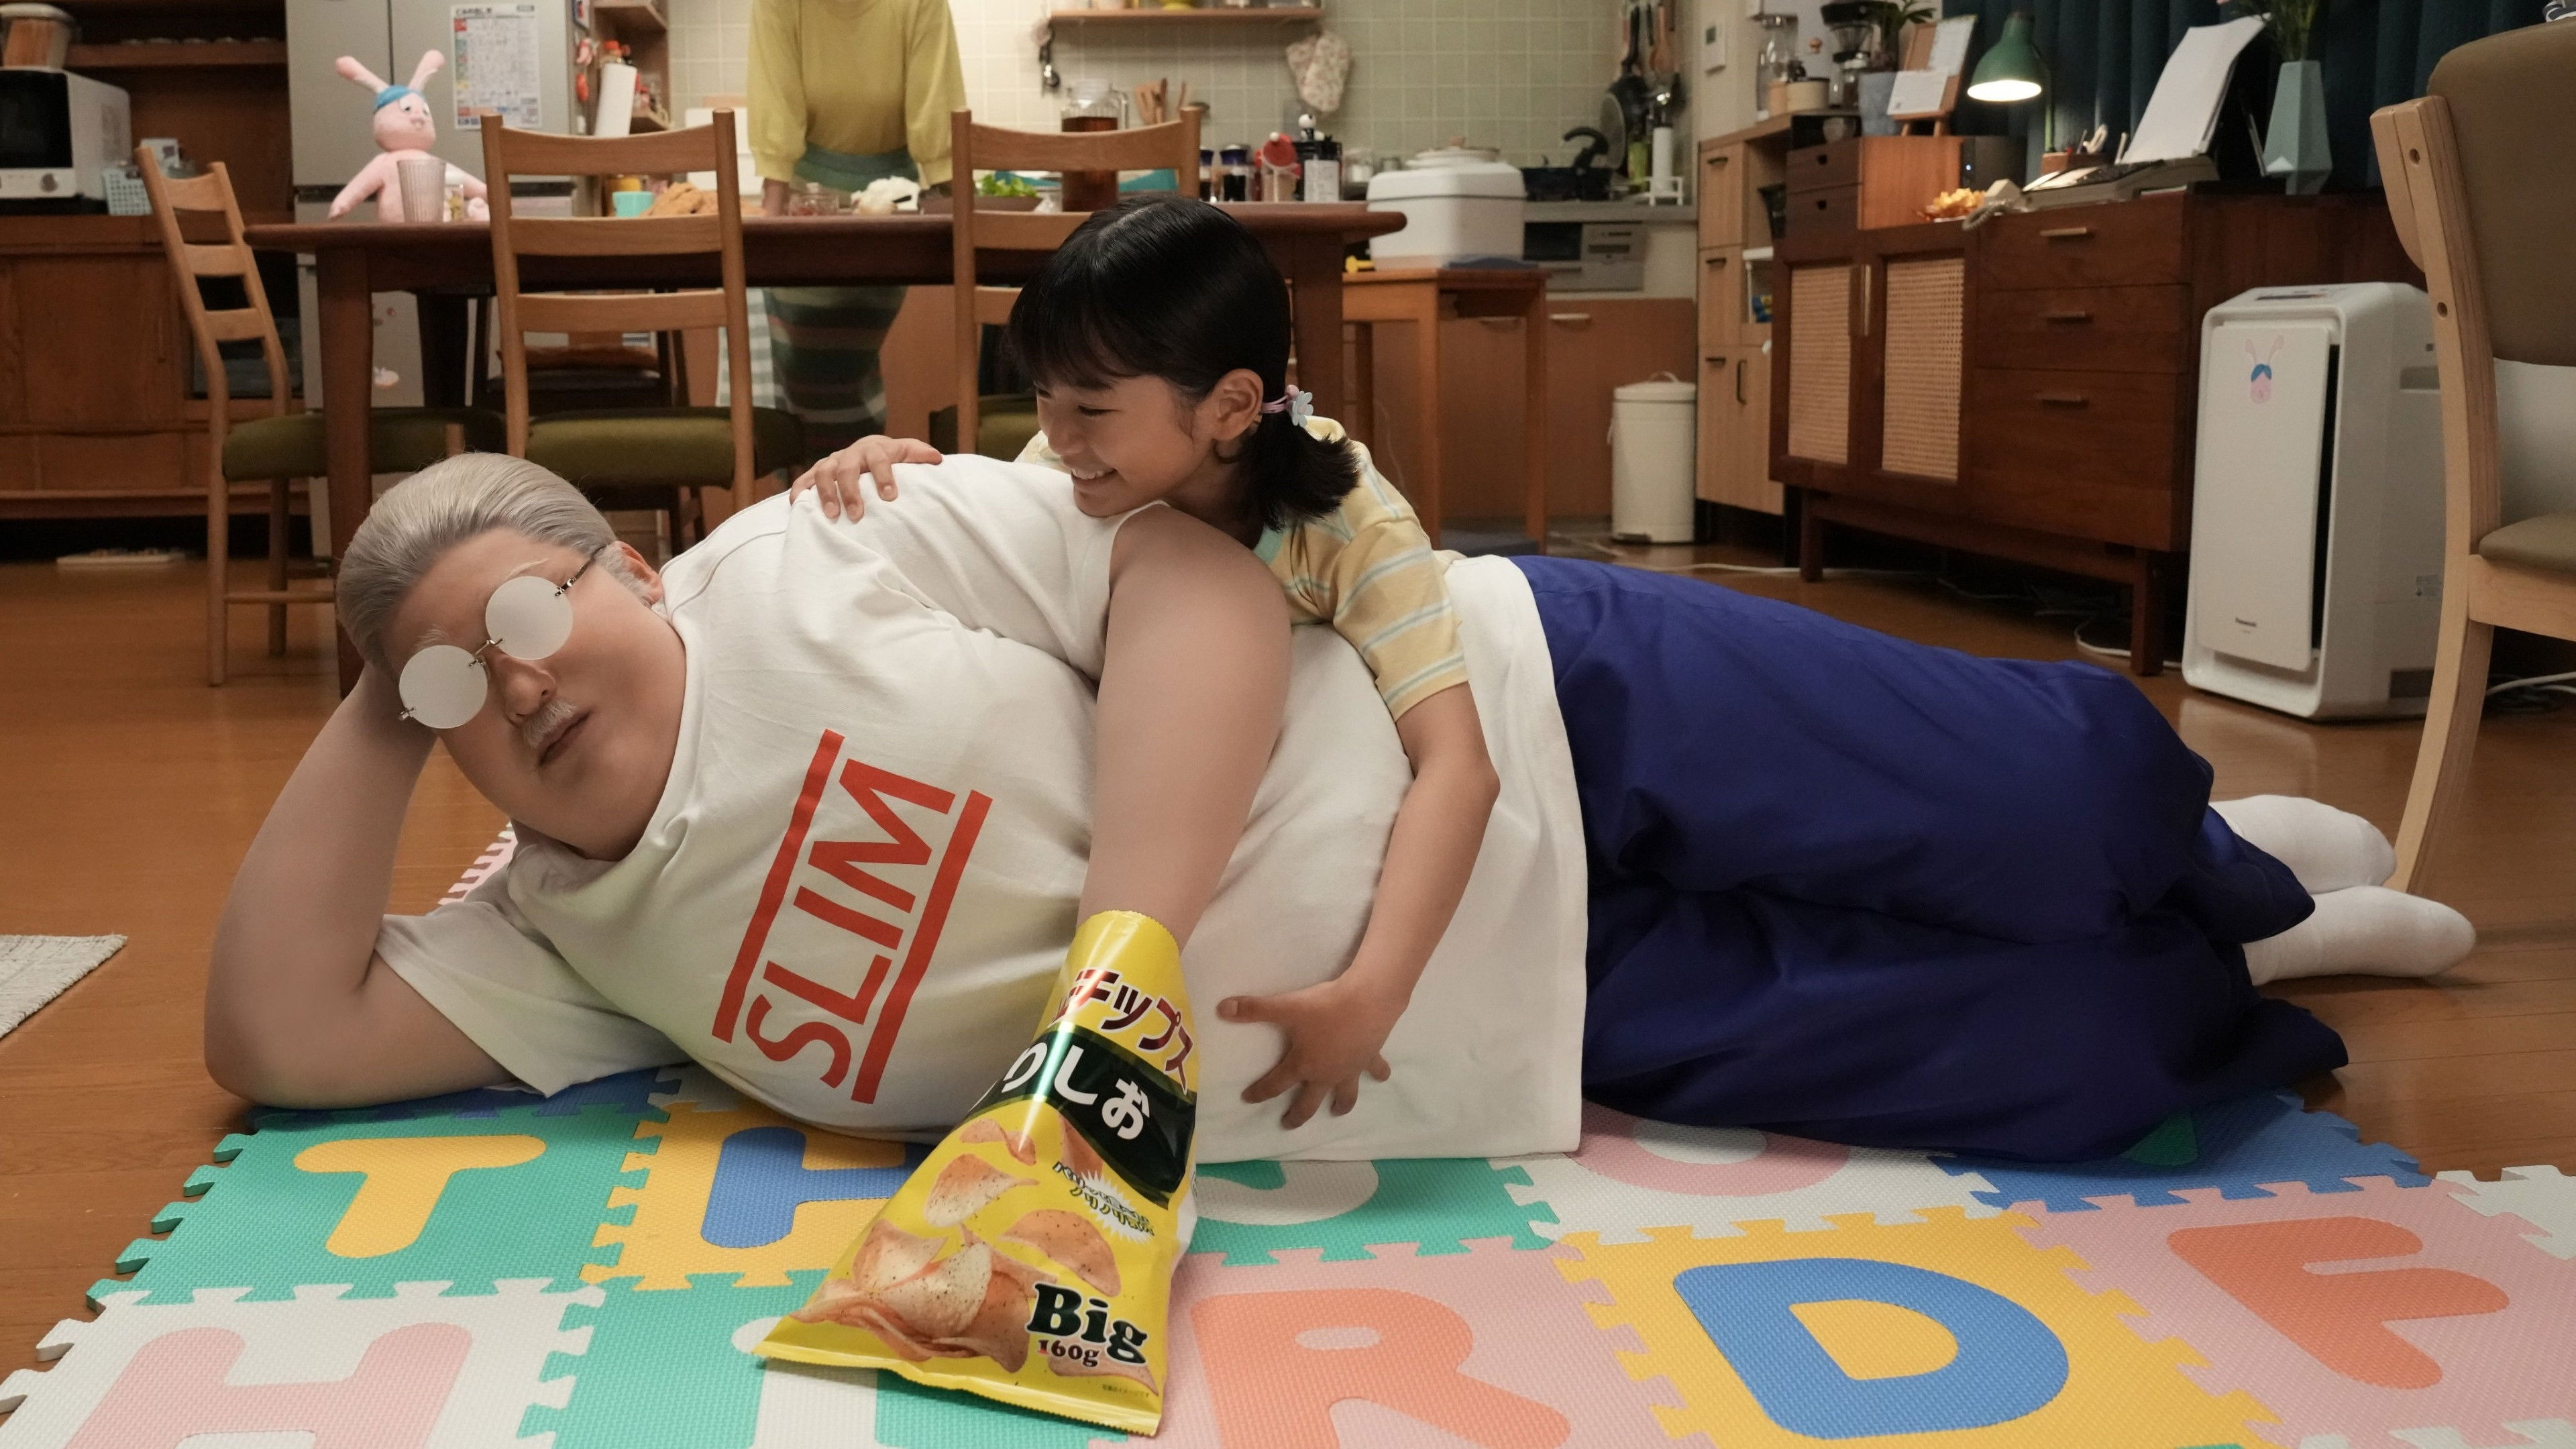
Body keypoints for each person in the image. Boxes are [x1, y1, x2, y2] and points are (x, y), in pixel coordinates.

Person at [209, 448, 2474, 1167]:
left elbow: (1199, 576)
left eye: (533, 617)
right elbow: (281, 1039)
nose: (521, 689)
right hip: (1478, 1006)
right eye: (459, 694)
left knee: (2064, 801)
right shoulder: (564, 937)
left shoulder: (826, 551)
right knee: (2088, 1065)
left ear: (628, 564)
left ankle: (2233, 862)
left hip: (1523, 700)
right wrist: (389, 684)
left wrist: (1124, 961)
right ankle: (2248, 939)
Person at [789, 199, 1500, 1132]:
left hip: (1548, 644)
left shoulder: (1347, 524)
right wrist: (889, 476)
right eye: (1043, 397)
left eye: (1091, 408)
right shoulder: (1066, 474)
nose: (1058, 435)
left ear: (1232, 406)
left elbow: (1460, 767)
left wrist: (1376, 991)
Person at [749, 0, 965, 456]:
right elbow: (776, 101)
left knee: (842, 368)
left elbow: (935, 108)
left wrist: (955, 205)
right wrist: (772, 230)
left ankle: (847, 478)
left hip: (888, 204)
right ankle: (829, 484)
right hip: (807, 203)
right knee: (803, 370)